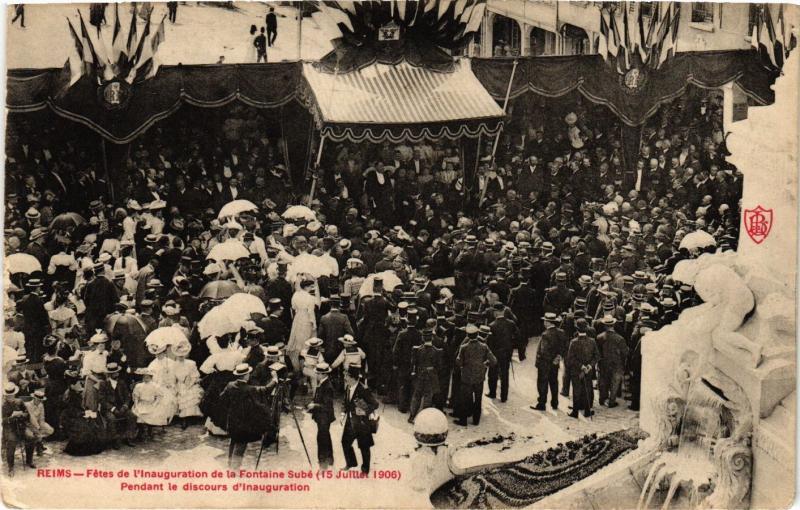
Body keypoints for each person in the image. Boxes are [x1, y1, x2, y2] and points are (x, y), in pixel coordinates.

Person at [219, 363, 276, 469]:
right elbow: (266, 390)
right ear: (246, 375)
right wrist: (275, 380)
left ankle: (230, 466)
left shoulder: (230, 385)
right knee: (240, 447)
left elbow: (222, 399)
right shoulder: (249, 389)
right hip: (244, 423)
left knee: (233, 441)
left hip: (232, 421)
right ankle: (234, 471)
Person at [454, 324, 496, 426]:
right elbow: (494, 361)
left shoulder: (463, 347)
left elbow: (458, 362)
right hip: (479, 377)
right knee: (478, 399)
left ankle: (463, 421)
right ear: (477, 334)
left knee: (465, 399)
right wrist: (485, 364)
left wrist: (462, 365)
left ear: (468, 335)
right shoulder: (484, 346)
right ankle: (476, 420)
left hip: (466, 377)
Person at [341, 364, 378, 474]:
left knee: (364, 446)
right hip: (350, 421)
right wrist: (343, 413)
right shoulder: (348, 386)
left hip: (362, 423)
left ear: (352, 377)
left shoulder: (363, 389)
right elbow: (346, 402)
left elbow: (375, 404)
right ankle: (351, 463)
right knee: (345, 442)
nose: (344, 377)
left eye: (346, 375)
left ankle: (365, 470)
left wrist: (365, 411)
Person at [565, 319, 600, 419]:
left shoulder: (573, 342)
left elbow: (570, 358)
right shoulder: (592, 341)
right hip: (588, 371)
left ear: (577, 329)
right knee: (587, 389)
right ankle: (587, 411)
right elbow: (597, 356)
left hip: (576, 371)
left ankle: (575, 412)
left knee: (576, 390)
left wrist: (581, 366)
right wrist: (589, 366)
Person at [532, 313, 567, 411]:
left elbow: (544, 351)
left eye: (545, 321)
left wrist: (549, 360)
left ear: (547, 322)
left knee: (542, 383)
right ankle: (555, 403)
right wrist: (558, 357)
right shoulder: (561, 332)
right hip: (555, 363)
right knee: (554, 382)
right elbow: (564, 346)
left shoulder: (545, 334)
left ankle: (541, 404)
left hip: (545, 363)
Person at [408, 329, 441, 422]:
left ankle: (412, 416)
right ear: (432, 338)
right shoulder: (437, 351)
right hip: (431, 377)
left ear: (423, 338)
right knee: (428, 397)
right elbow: (439, 366)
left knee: (416, 396)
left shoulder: (417, 350)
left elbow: (413, 363)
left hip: (420, 375)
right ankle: (424, 419)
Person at [596, 316, 629, 408]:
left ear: (605, 325)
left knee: (603, 381)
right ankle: (611, 401)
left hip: (603, 363)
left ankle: (602, 399)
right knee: (615, 383)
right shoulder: (620, 338)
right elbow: (625, 353)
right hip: (617, 363)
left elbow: (597, 352)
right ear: (613, 325)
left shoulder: (599, 337)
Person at [307, 362, 334, 469]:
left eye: (317, 373)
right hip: (321, 417)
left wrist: (314, 405)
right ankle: (329, 458)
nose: (316, 375)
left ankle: (323, 460)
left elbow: (326, 405)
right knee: (325, 436)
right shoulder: (322, 383)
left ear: (323, 374)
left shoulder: (327, 386)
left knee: (322, 437)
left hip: (325, 417)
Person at [2, 383, 32, 476]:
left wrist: (22, 415)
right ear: (6, 396)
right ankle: (11, 467)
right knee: (11, 442)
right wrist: (11, 417)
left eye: (12, 395)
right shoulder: (2, 406)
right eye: (8, 396)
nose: (10, 397)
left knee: (30, 437)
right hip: (10, 428)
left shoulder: (19, 402)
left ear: (14, 394)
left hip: (21, 425)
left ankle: (29, 461)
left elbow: (27, 414)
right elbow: (2, 421)